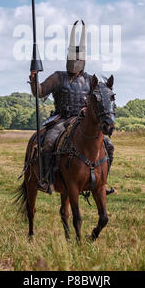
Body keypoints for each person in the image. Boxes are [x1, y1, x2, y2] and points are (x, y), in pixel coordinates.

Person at [29, 20, 114, 194]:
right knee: (49, 142)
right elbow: (39, 92)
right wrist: (34, 79)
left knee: (108, 145)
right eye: (72, 58)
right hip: (61, 119)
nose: (74, 61)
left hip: (82, 120)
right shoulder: (58, 77)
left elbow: (100, 98)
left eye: (78, 58)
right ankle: (46, 179)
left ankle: (102, 181)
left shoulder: (91, 80)